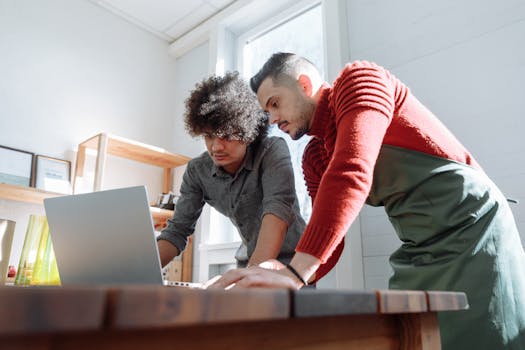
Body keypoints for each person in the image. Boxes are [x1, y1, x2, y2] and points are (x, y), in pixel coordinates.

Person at [210, 53, 525, 350]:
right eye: (267, 111)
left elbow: (351, 171)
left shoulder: (359, 80)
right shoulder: (315, 157)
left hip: (474, 224)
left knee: (489, 333)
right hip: (421, 248)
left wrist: (295, 275)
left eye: (275, 103)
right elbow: (331, 241)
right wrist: (281, 269)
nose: (273, 118)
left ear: (304, 85)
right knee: (408, 334)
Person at [157, 71, 306, 271]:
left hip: (294, 263)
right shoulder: (197, 172)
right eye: (209, 136)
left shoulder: (271, 151)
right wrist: (140, 273)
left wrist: (250, 277)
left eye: (227, 135)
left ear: (248, 132)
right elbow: (177, 231)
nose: (216, 147)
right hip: (250, 261)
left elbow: (277, 211)